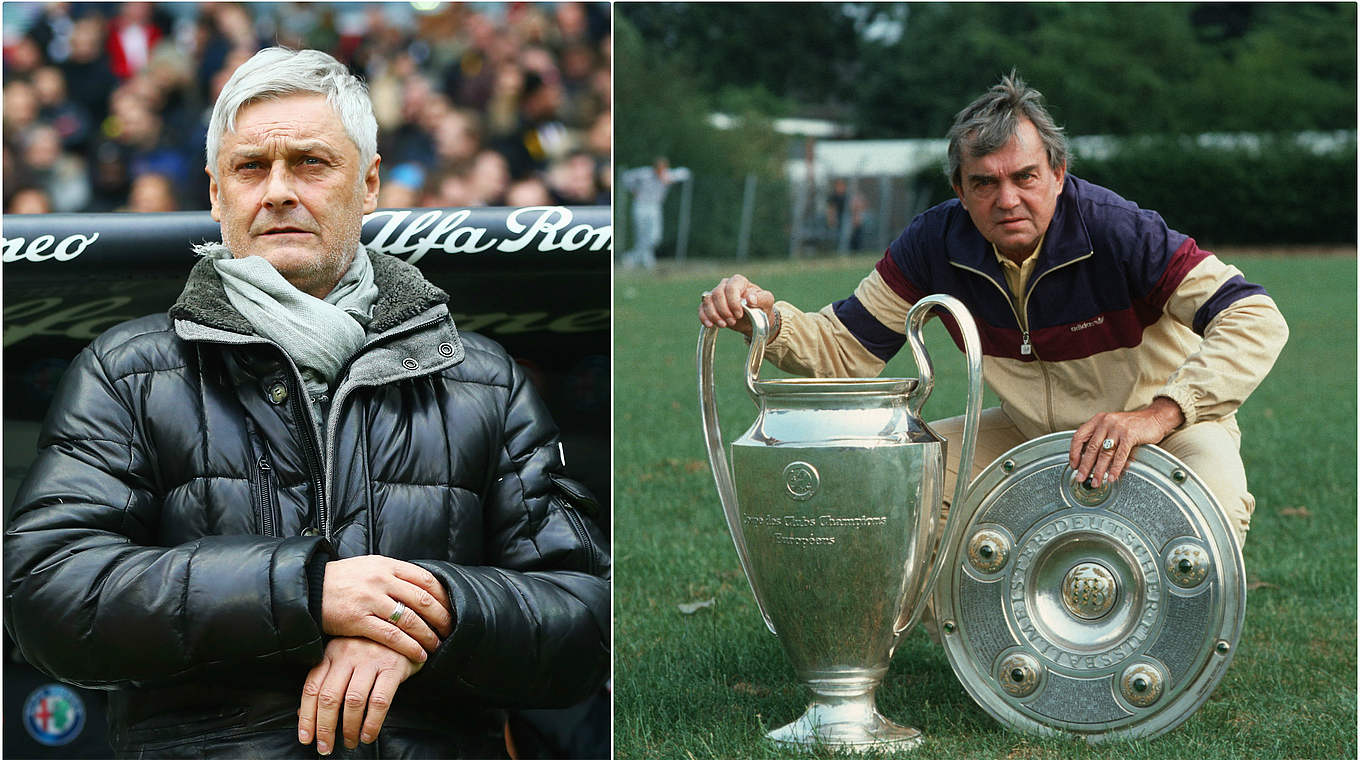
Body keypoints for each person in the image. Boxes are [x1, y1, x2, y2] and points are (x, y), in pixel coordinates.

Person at [4, 47, 609, 758]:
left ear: (370, 184)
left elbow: (586, 617)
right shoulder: (124, 371)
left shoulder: (484, 378)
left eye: (311, 163)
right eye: (251, 167)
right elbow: (48, 593)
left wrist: (425, 622)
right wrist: (307, 593)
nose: (280, 190)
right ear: (216, 193)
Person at [699, 72, 1287, 550]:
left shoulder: (1117, 229)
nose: (1007, 199)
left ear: (1058, 174)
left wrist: (1157, 416)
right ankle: (977, 649)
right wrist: (763, 320)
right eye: (984, 183)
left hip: (1164, 429)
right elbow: (845, 349)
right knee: (893, 477)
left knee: (1212, 504)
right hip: (1028, 434)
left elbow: (1255, 316)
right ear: (959, 188)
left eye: (1025, 176)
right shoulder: (935, 242)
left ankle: (1163, 683)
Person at [620, 156, 691, 270]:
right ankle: (647, 259)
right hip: (641, 205)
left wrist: (671, 178)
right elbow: (626, 177)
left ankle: (631, 257)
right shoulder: (644, 173)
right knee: (642, 234)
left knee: (655, 236)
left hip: (655, 207)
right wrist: (633, 190)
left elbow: (685, 173)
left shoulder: (667, 175)